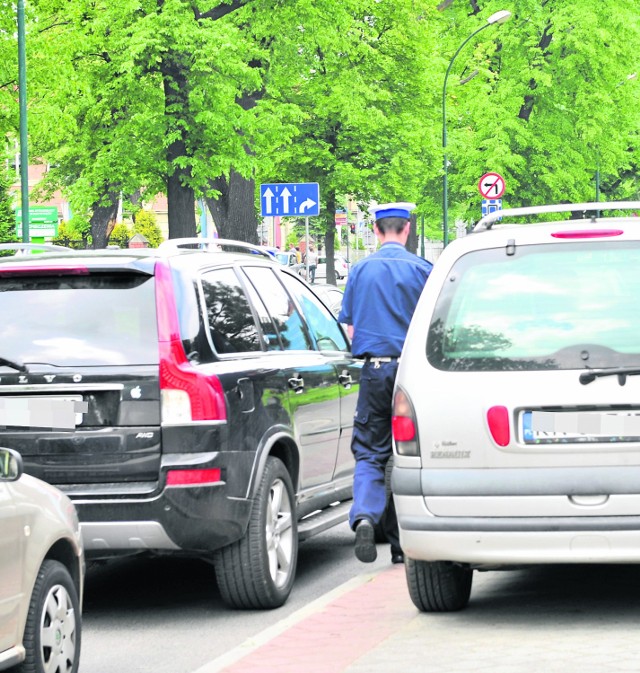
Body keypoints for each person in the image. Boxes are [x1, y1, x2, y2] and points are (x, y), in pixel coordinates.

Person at [338, 202, 433, 565]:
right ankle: (402, 544)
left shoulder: (360, 271)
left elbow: (350, 327)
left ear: (377, 232)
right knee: (408, 455)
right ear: (407, 230)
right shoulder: (423, 269)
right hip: (413, 373)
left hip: (375, 370)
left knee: (370, 453)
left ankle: (364, 515)